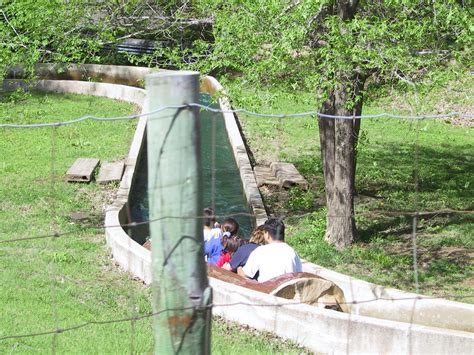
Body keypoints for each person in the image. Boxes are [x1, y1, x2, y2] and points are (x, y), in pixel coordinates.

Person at [237, 218, 302, 282]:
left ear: (267, 234)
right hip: (287, 290)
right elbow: (299, 275)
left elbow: (245, 275)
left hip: (266, 290)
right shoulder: (292, 252)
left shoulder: (260, 251)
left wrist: (239, 268)